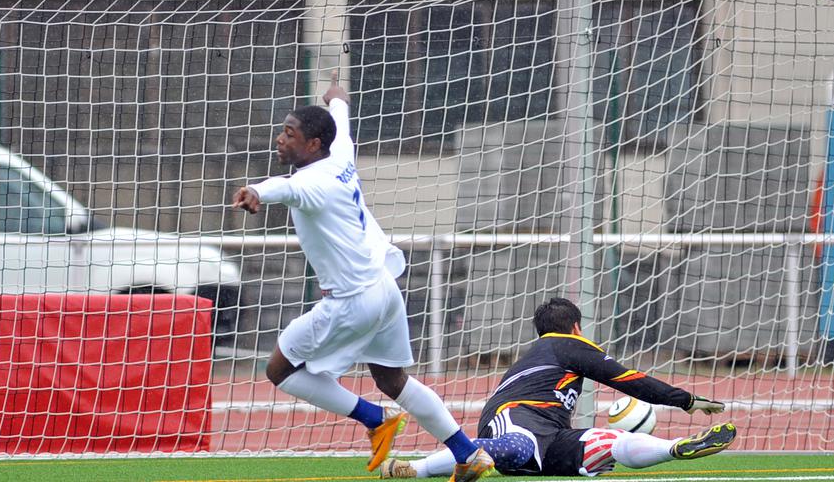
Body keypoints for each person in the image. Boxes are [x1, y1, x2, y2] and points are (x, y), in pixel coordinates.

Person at [232, 73, 494, 482]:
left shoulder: (311, 183)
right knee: (392, 378)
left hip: (352, 299)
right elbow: (340, 112)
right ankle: (467, 452)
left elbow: (285, 190)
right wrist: (336, 95)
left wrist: (255, 192)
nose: (281, 139)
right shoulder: (340, 156)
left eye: (290, 133)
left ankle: (375, 417)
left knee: (279, 370)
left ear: (314, 144)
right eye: (283, 131)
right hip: (385, 289)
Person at [380, 297, 737, 479]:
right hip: (514, 418)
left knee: (605, 444)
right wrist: (685, 400)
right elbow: (628, 380)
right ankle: (415, 467)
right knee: (519, 445)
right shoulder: (566, 345)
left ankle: (679, 447)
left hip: (552, 436)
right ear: (576, 327)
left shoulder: (546, 351)